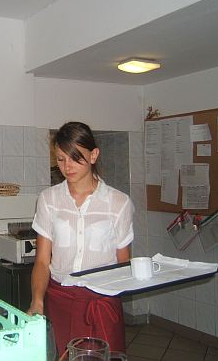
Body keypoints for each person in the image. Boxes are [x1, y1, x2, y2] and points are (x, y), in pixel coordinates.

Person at [27, 122, 134, 355]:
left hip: (102, 301)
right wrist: (37, 300)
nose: (67, 166)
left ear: (93, 155)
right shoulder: (49, 199)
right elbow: (42, 261)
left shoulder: (119, 203)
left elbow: (123, 263)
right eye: (61, 159)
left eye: (75, 158)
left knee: (104, 356)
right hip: (61, 298)